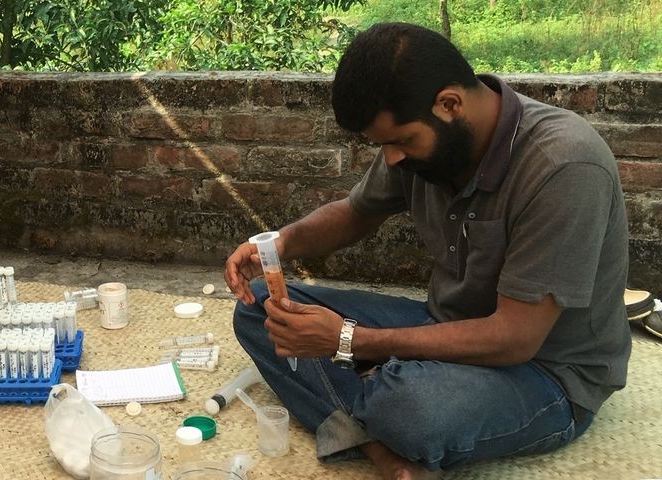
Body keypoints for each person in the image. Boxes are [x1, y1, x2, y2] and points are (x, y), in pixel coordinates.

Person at [225, 23, 629, 480]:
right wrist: (282, 242)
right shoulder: (419, 144)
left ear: (449, 104)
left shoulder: (564, 166)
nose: (392, 158)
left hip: (547, 373)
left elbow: (516, 337)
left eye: (399, 141)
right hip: (444, 325)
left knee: (408, 407)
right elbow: (357, 211)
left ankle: (373, 413)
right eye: (384, 145)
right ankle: (382, 449)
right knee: (263, 309)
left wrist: (349, 341)